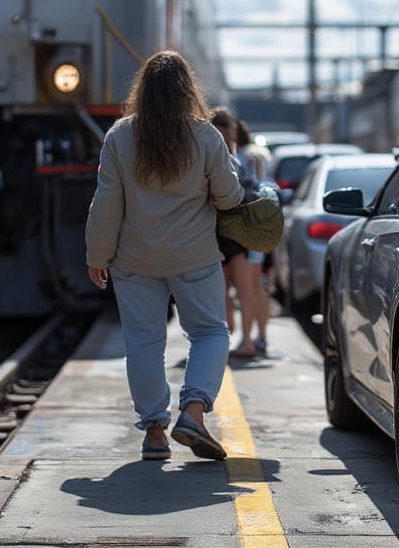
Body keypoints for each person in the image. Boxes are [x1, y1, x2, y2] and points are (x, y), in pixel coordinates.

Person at [85, 51, 244, 461]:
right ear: (186, 90)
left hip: (134, 261)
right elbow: (229, 197)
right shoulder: (206, 136)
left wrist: (96, 256)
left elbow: (105, 204)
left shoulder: (119, 137)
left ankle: (154, 432)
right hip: (194, 258)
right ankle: (193, 411)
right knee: (210, 333)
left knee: (143, 343)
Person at [210, 107, 262, 359]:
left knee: (238, 288)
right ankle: (240, 338)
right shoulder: (240, 158)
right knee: (236, 289)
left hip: (230, 232)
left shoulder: (240, 159)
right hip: (230, 232)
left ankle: (245, 340)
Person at [234, 119, 271, 357]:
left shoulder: (240, 156)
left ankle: (248, 340)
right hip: (265, 221)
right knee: (259, 285)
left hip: (248, 223)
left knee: (248, 287)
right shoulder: (260, 154)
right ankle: (262, 337)